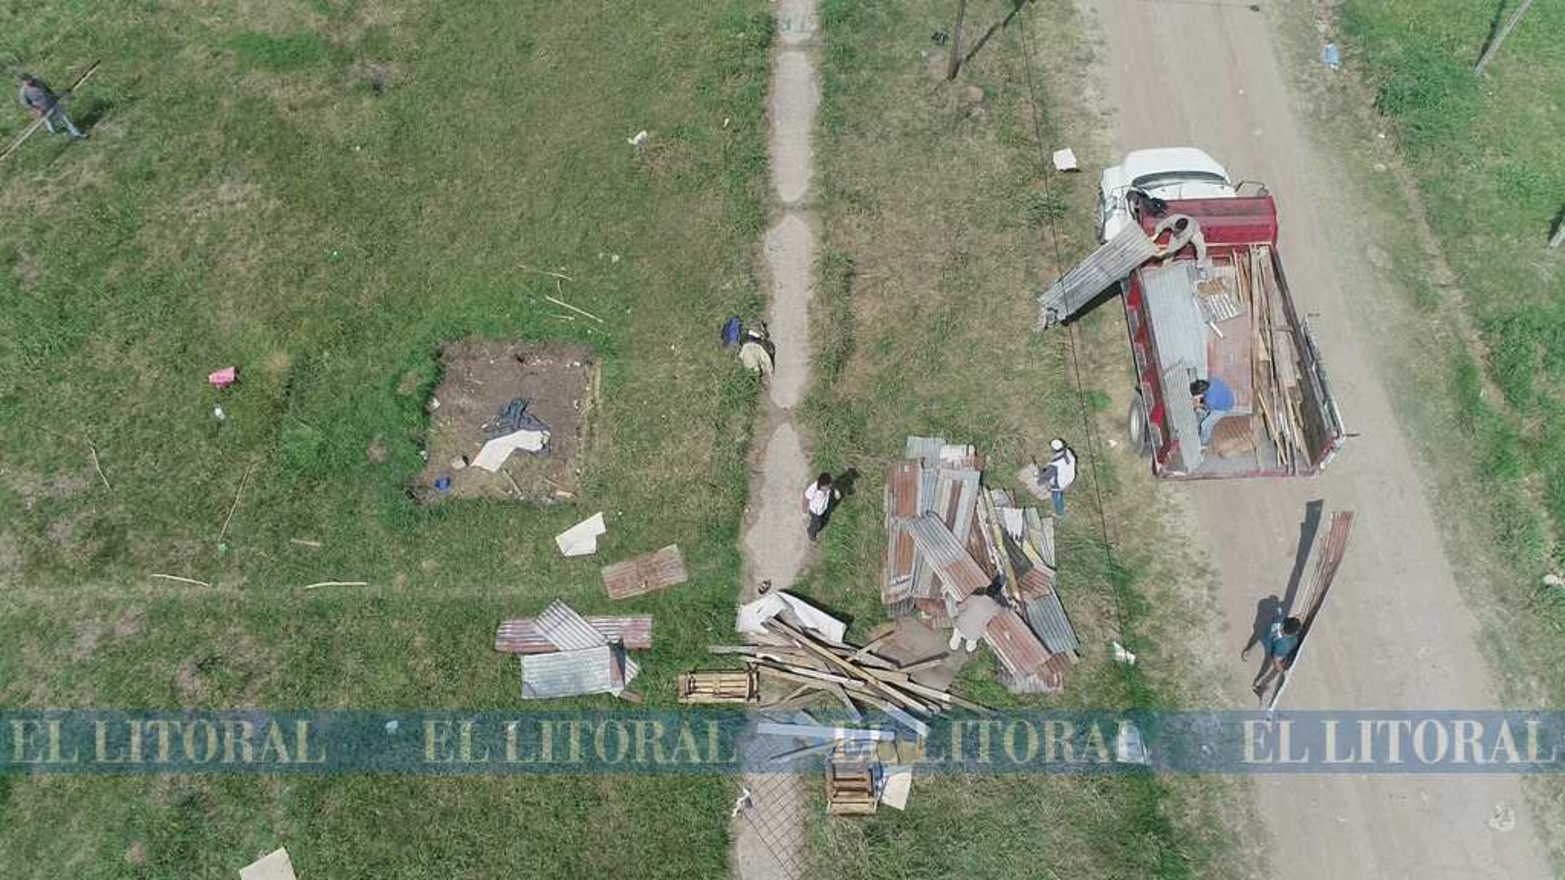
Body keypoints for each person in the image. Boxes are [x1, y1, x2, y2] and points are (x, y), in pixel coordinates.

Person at [18, 73, 85, 140]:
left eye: (30, 79)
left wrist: (56, 96)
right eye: (28, 80)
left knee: (65, 119)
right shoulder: (24, 92)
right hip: (44, 110)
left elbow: (48, 90)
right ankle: (55, 135)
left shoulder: (38, 81)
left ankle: (77, 134)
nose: (30, 81)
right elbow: (27, 105)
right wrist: (37, 110)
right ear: (24, 82)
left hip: (53, 103)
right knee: (51, 124)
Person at [1252, 613, 1302, 702]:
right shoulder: (1286, 645)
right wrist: (1282, 672)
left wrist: (1295, 617)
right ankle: (1260, 686)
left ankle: (1249, 650)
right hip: (1273, 650)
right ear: (1293, 633)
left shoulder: (1280, 619)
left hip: (1266, 640)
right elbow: (1276, 660)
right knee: (1277, 668)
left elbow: (1283, 618)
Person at [1037, 438, 1076, 517]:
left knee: (1056, 497)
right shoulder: (1068, 452)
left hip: (1060, 483)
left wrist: (1039, 480)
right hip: (1070, 476)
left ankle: (1059, 512)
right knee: (1060, 492)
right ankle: (1061, 505)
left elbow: (1046, 477)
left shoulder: (1055, 465)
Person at [1190, 378, 1234, 445]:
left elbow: (1208, 407)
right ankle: (1199, 432)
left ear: (1202, 393)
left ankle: (1203, 443)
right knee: (1201, 413)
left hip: (1224, 407)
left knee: (1205, 424)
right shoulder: (1212, 380)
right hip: (1228, 397)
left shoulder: (1210, 400)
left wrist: (1197, 405)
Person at [801, 472, 840, 542]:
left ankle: (821, 521)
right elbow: (806, 498)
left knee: (823, 517)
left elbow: (832, 485)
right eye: (828, 485)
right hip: (815, 512)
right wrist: (804, 512)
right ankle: (811, 533)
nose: (830, 486)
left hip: (823, 508)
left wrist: (836, 491)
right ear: (823, 486)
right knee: (816, 524)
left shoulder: (826, 485)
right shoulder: (813, 489)